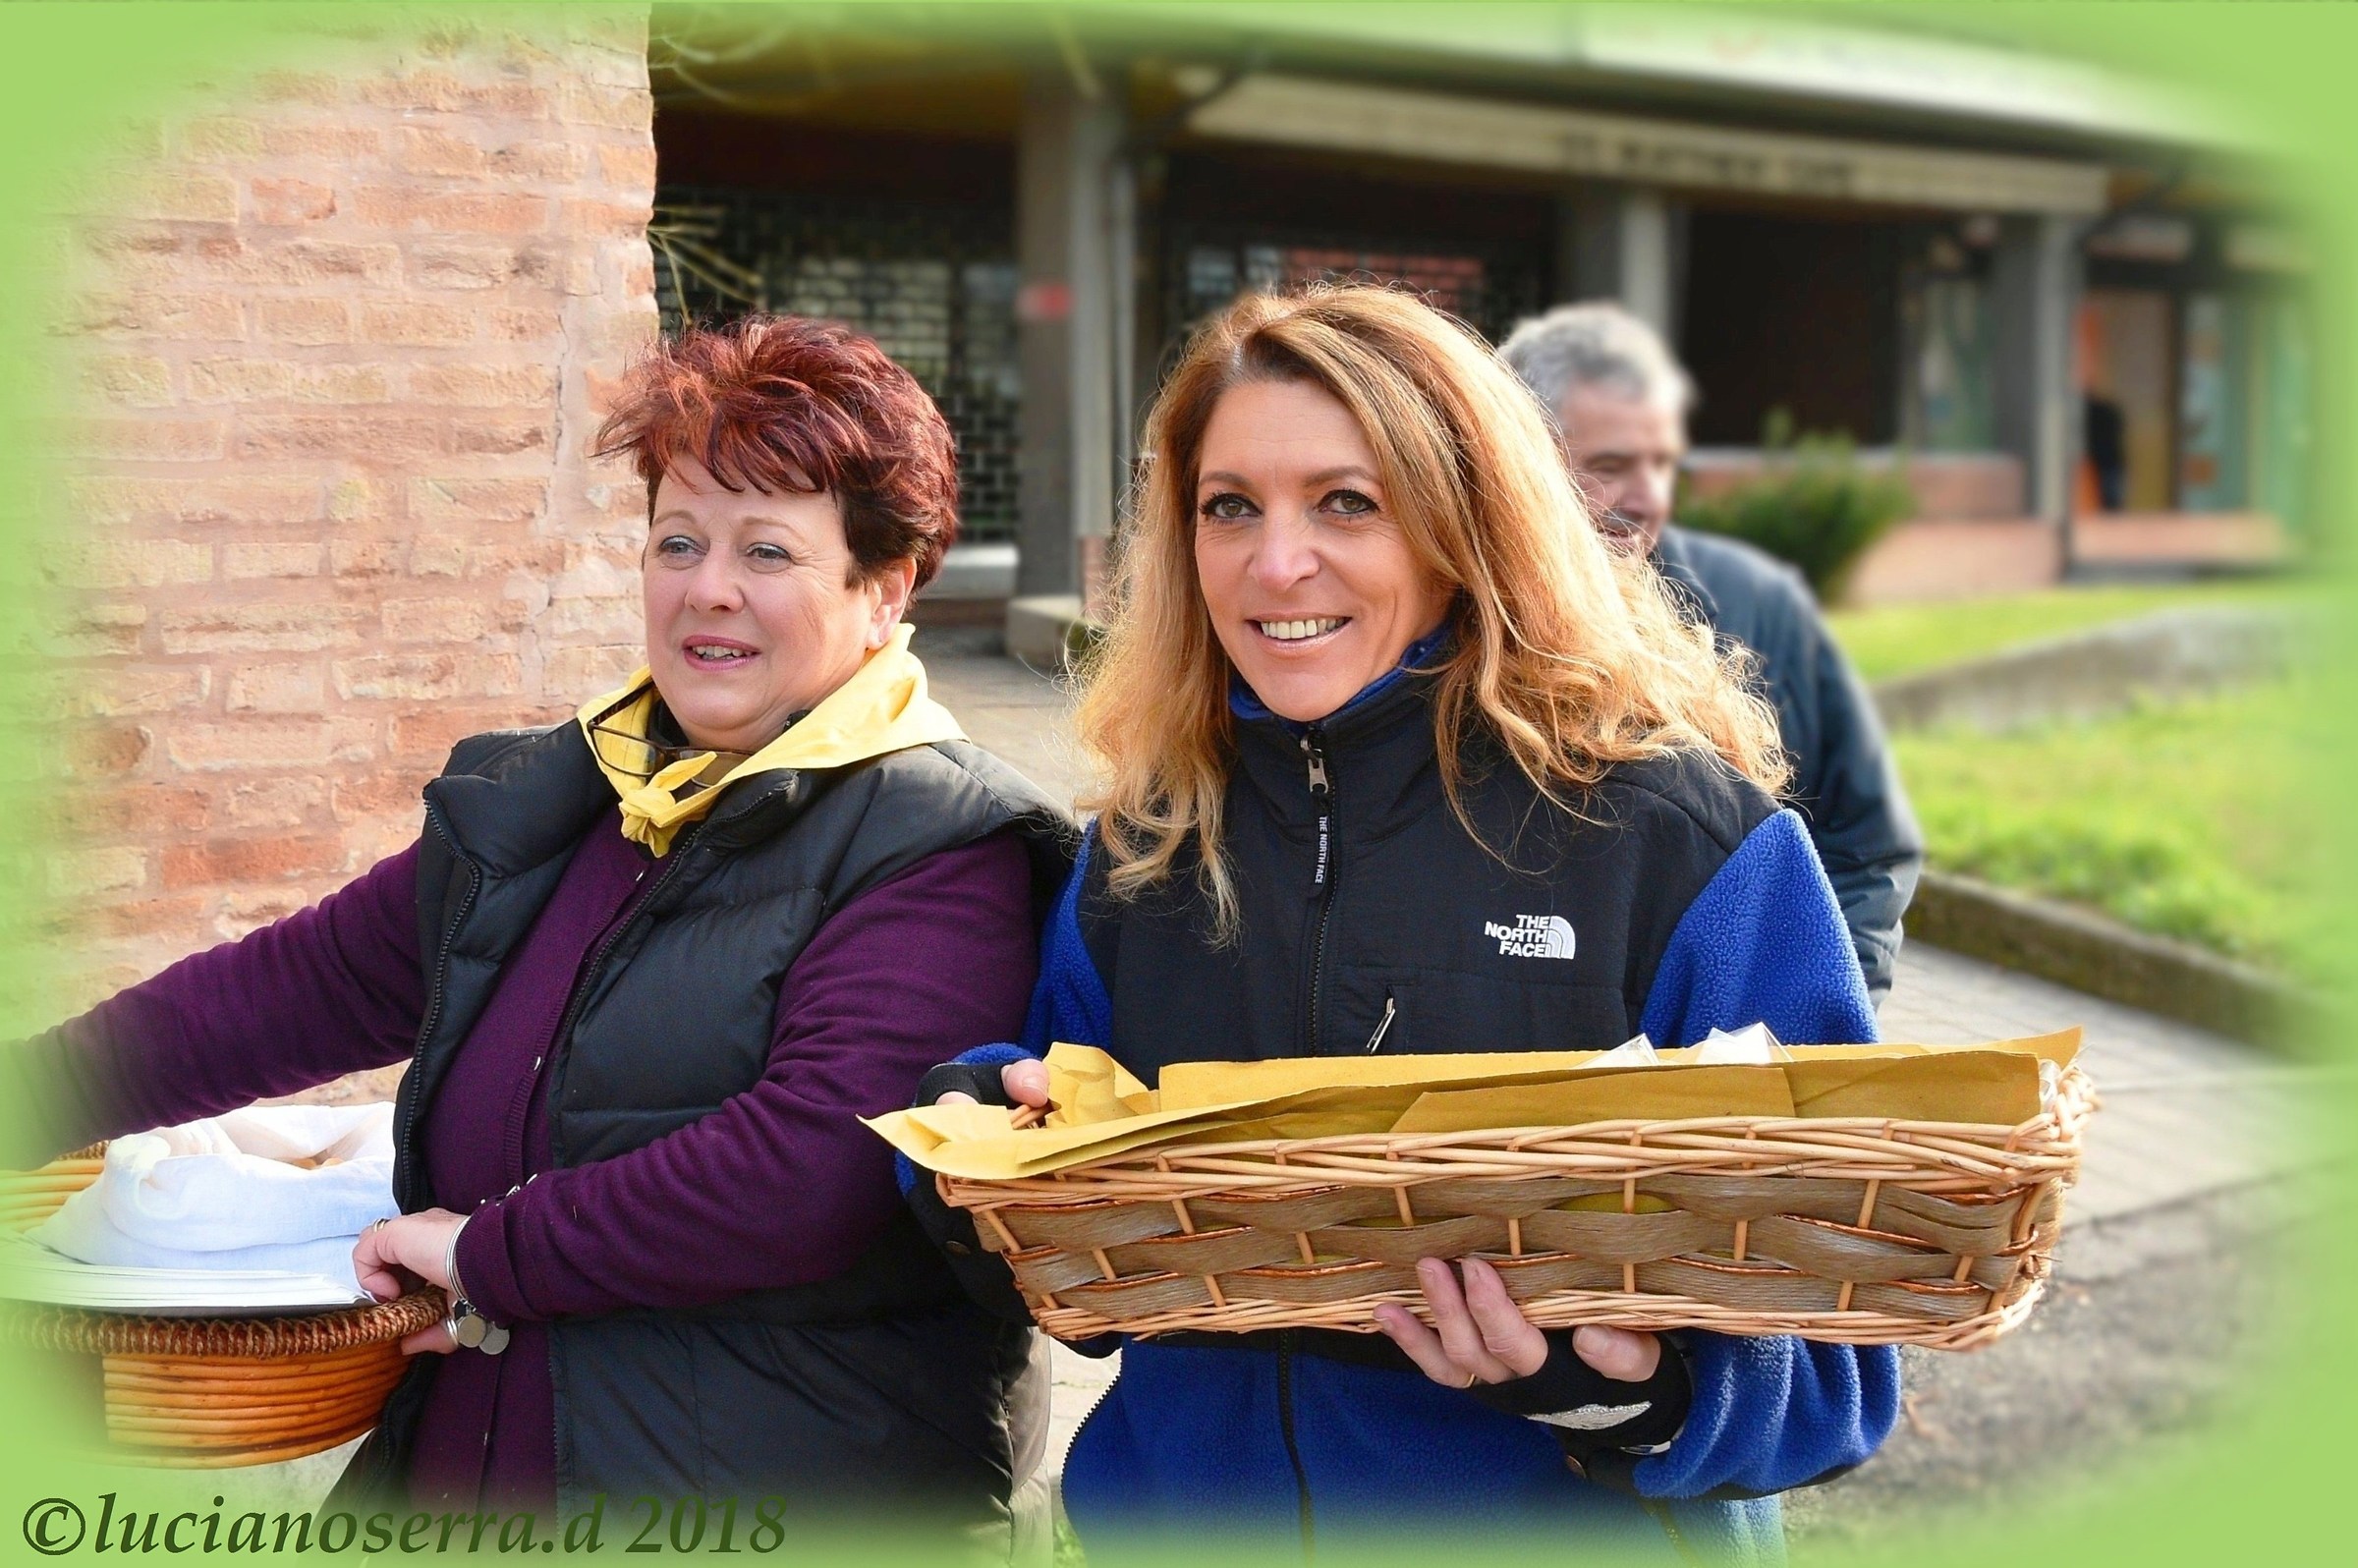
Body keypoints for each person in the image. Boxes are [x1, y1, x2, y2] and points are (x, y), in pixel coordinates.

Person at [6, 316, 1074, 1541]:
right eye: (679, 539)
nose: (707, 587)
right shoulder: (557, 801)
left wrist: (489, 1255)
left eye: (768, 549)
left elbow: (812, 1170)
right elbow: (289, 988)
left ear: (882, 591)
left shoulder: (943, 842)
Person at [912, 286, 1898, 1560]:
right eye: (1229, 508)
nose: (1275, 564)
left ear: (1465, 521)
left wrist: (1623, 1391)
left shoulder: (1682, 843)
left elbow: (1849, 1355)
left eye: (1345, 503)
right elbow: (1095, 1288)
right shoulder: (1150, 843)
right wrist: (985, 1143)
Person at [1499, 303, 1923, 1002]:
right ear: (1516, 464)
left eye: (1662, 464)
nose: (1649, 499)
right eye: (1610, 467)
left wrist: (1815, 1015)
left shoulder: (1763, 607)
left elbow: (1869, 843)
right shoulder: (1445, 623)